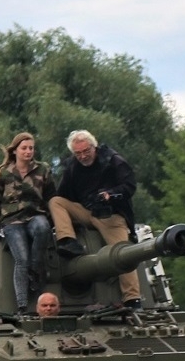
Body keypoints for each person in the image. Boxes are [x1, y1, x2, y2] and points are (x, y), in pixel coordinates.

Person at [48, 129, 142, 309]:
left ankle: (132, 297)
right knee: (56, 202)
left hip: (110, 216)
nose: (83, 156)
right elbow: (63, 194)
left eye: (86, 151)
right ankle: (67, 240)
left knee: (123, 254)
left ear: (94, 146)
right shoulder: (73, 167)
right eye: (78, 153)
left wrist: (111, 194)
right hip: (86, 211)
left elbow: (129, 186)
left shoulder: (113, 161)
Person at [0, 132, 56, 316]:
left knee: (43, 228)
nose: (28, 151)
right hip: (12, 220)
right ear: (15, 150)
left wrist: (55, 218)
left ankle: (34, 270)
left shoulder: (43, 170)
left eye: (31, 148)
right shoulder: (3, 173)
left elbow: (51, 197)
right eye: (24, 148)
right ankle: (23, 305)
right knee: (21, 259)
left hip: (35, 215)